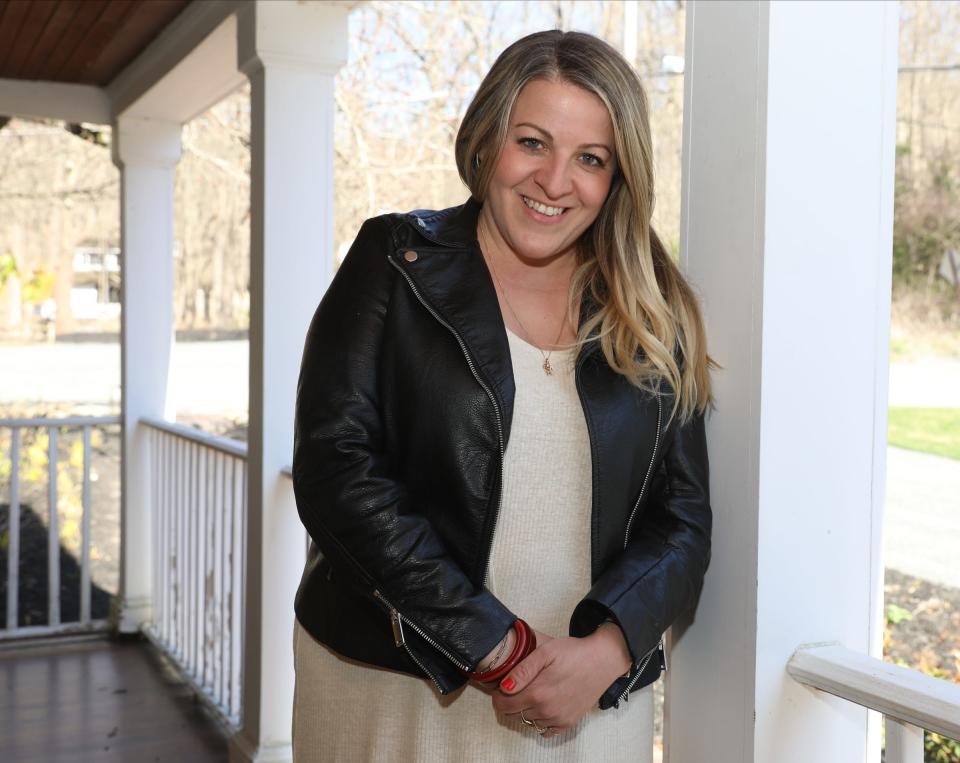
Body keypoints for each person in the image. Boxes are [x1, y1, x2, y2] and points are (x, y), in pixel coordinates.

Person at [291, 29, 712, 763]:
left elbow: (683, 521)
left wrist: (607, 649)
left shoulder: (648, 310)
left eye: (591, 158)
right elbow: (337, 471)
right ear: (488, 141)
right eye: (532, 142)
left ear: (618, 177)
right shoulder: (395, 263)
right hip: (399, 690)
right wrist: (495, 644)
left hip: (585, 700)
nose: (555, 181)